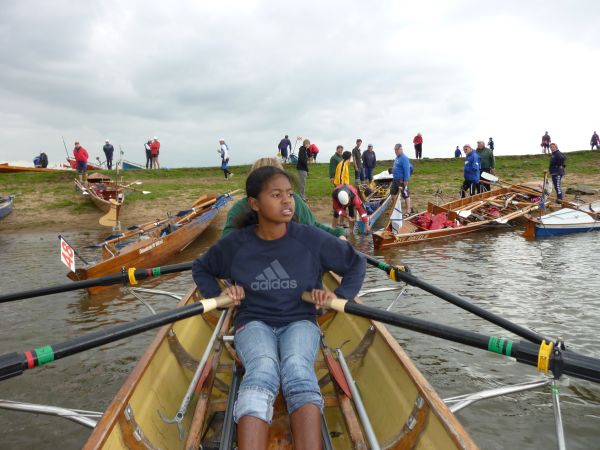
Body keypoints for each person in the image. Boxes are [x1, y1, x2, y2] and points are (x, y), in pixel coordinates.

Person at [192, 166, 365, 450]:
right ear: (255, 204)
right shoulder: (237, 244)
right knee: (262, 369)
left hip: (301, 321)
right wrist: (221, 296)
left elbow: (356, 262)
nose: (287, 201)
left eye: (290, 194)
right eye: (276, 195)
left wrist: (338, 298)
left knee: (297, 368)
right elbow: (201, 268)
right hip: (253, 322)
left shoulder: (310, 238)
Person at [222, 158, 344, 239]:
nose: (286, 200)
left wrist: (338, 235)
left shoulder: (294, 201)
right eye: (275, 194)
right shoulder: (240, 209)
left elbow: (312, 227)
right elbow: (226, 245)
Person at [389, 143, 412, 217]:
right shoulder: (397, 158)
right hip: (395, 179)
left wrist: (406, 180)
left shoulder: (404, 158)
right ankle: (396, 209)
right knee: (392, 193)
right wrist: (392, 170)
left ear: (400, 149)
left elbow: (407, 170)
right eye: (394, 150)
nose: (395, 152)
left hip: (401, 180)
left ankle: (408, 210)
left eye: (396, 150)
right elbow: (396, 167)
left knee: (405, 194)